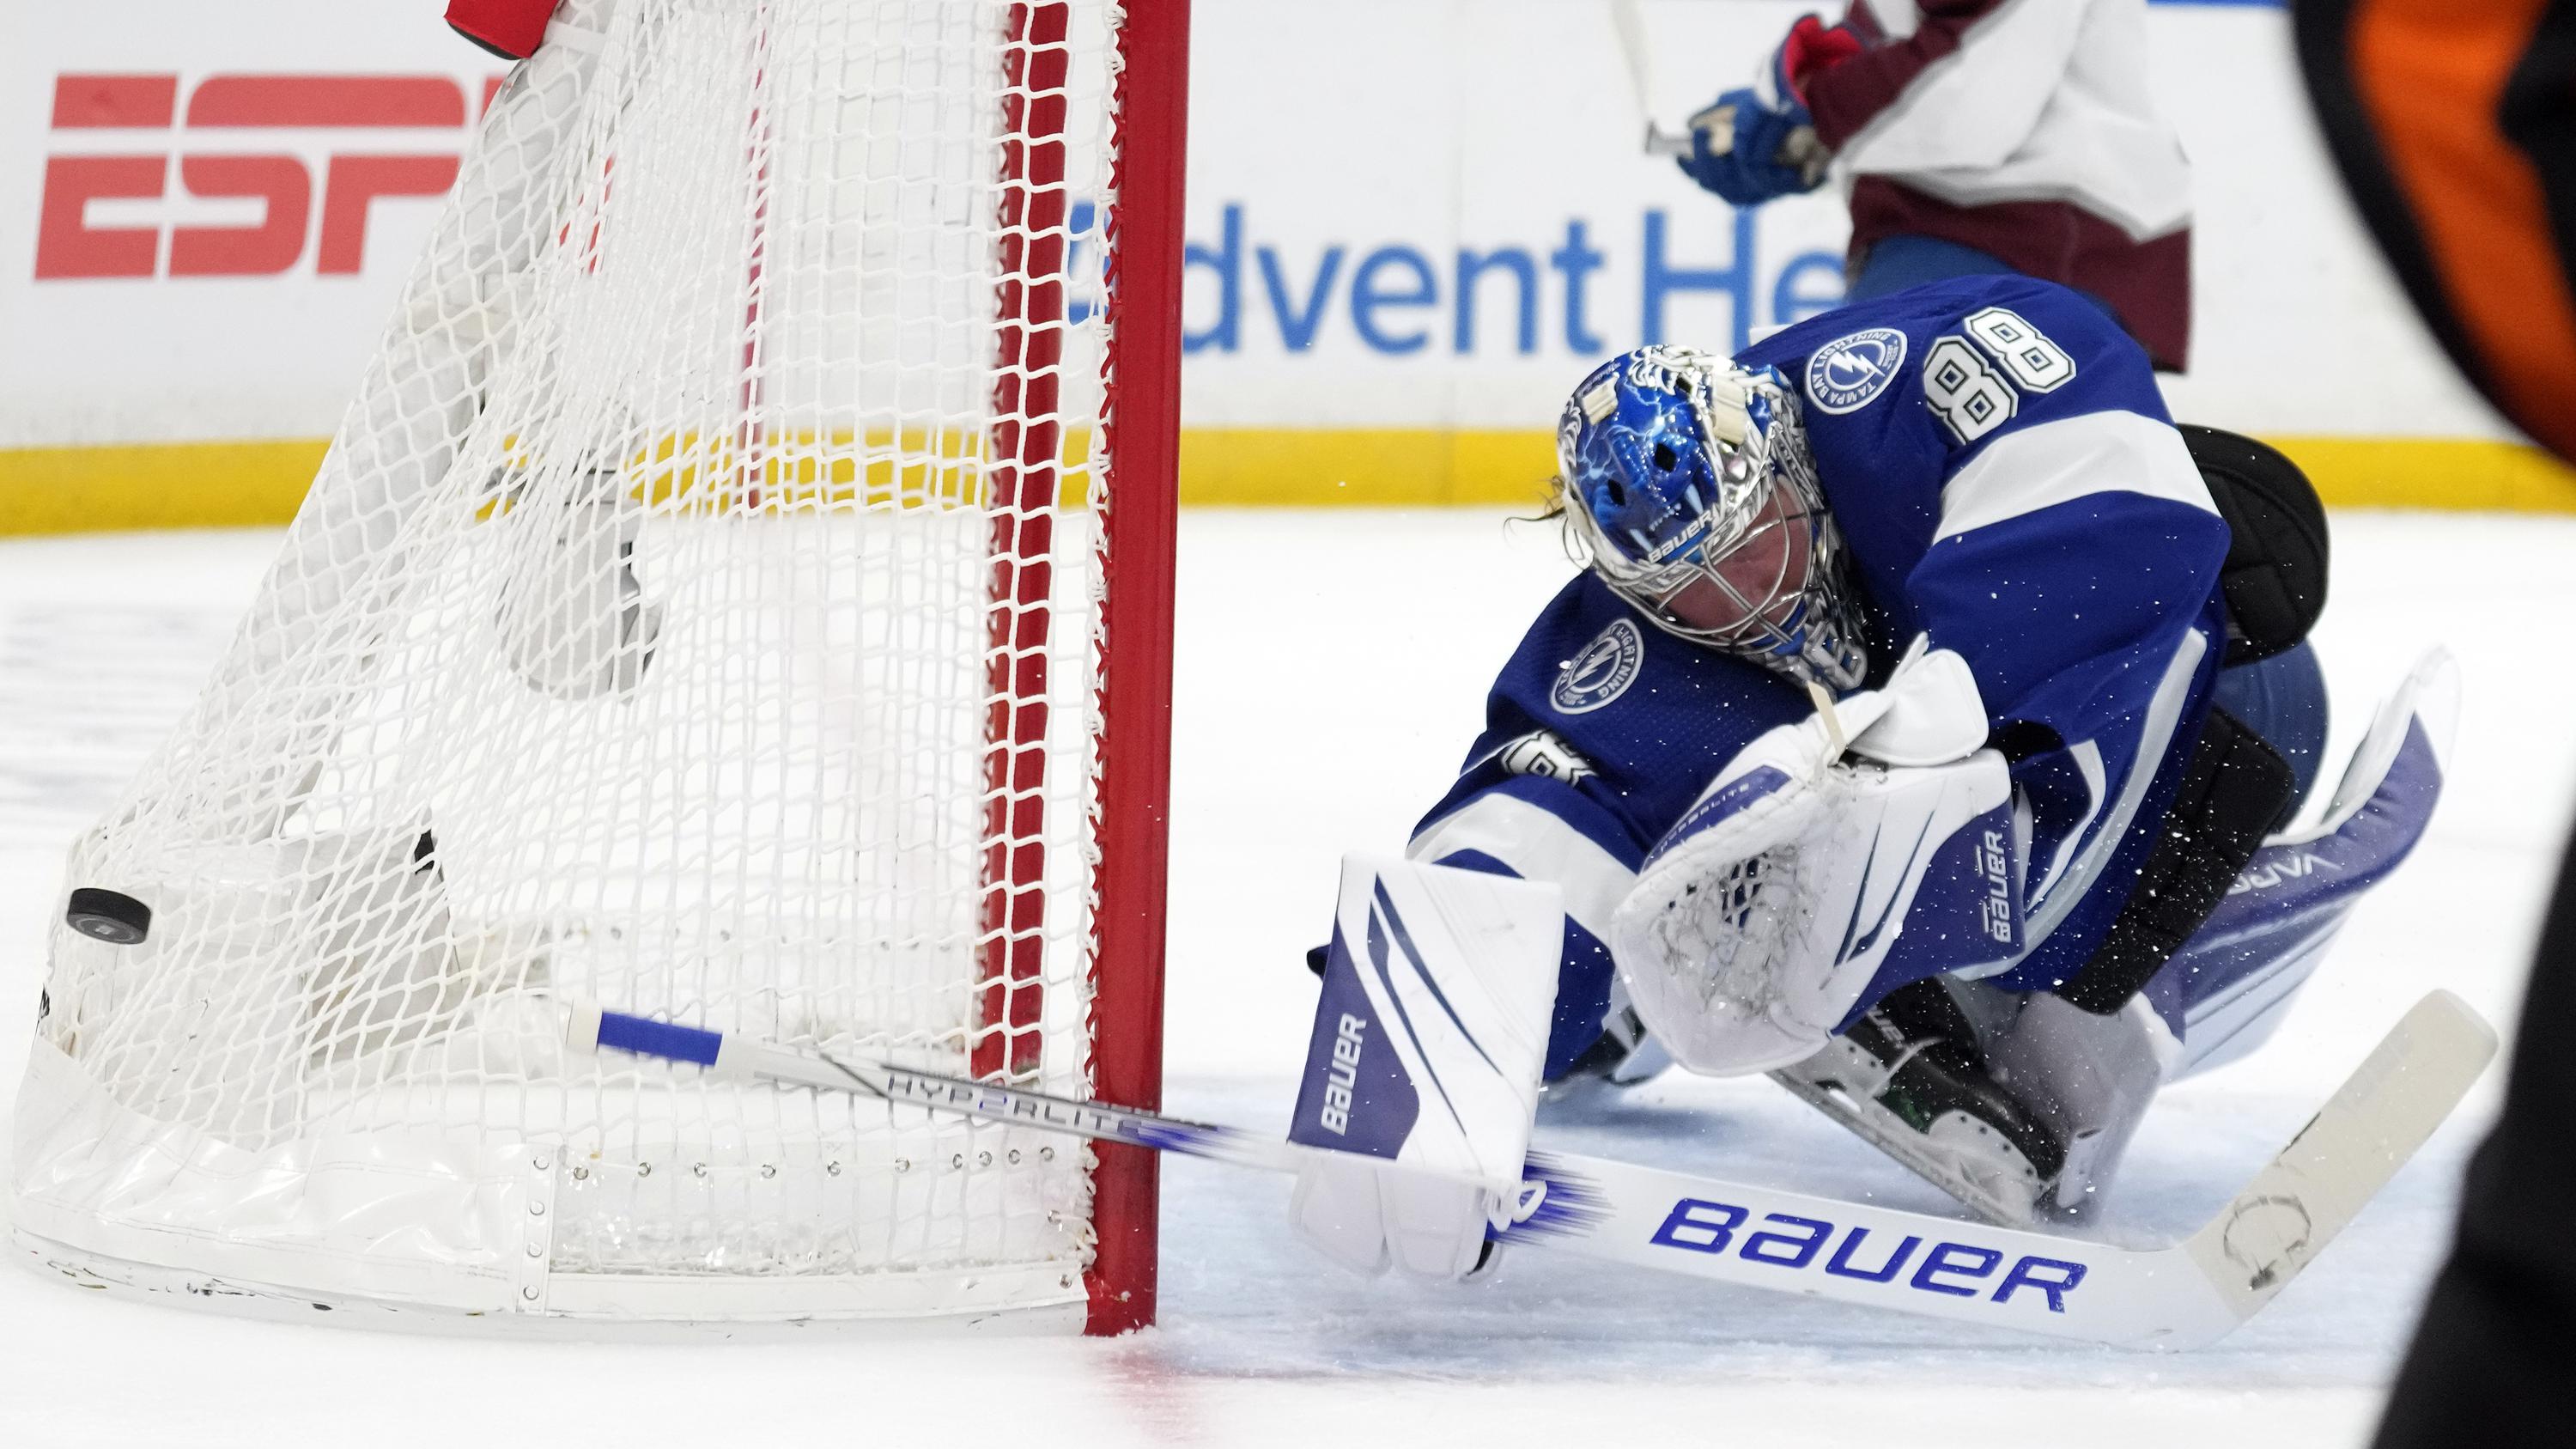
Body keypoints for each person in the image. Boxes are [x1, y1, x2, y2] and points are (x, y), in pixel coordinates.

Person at [1291, 272, 2449, 1271]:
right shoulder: (1645, 632)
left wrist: (1925, 732)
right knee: (1762, 819)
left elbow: (2108, 487)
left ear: (1783, 457)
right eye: (1690, 586)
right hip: (1915, 845)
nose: (1742, 598)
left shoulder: (1892, 388)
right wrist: (1442, 1024)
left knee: (2238, 740)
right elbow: (1544, 812)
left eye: (1751, 541)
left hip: (2208, 708)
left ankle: (2087, 1025)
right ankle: (1663, 996)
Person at [1673, 2, 2195, 371]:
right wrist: (1799, 129)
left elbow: (1976, 88)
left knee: (1881, 465)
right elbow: (1921, 38)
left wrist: (1815, 113)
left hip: (2032, 241)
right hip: (1984, 236)